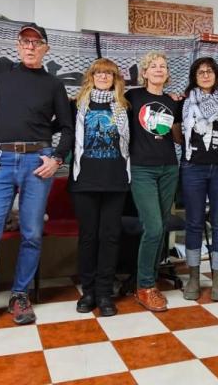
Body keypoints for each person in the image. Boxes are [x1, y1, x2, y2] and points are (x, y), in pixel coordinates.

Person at [0, 23, 73, 333]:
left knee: (33, 234)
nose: (30, 47)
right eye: (25, 41)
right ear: (17, 44)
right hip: (0, 160)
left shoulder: (53, 85)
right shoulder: (0, 72)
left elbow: (67, 127)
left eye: (37, 43)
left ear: (46, 49)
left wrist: (57, 158)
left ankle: (20, 296)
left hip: (38, 161)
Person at [71, 58, 131, 317]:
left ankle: (105, 292)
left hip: (115, 179)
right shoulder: (77, 105)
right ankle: (89, 292)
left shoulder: (124, 106)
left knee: (109, 237)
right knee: (88, 237)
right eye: (99, 72)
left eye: (109, 73)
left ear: (115, 78)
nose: (104, 76)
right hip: (85, 180)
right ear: (91, 76)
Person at [125, 50, 183, 312]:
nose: (159, 69)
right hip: (142, 169)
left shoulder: (174, 102)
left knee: (159, 228)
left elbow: (178, 138)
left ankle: (149, 276)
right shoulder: (132, 96)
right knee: (155, 227)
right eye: (153, 66)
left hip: (169, 167)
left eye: (163, 66)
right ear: (145, 72)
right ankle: (145, 286)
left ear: (167, 73)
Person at [180, 57, 218, 302]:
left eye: (210, 71)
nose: (205, 75)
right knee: (193, 223)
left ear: (216, 75)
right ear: (194, 76)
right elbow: (176, 130)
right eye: (200, 72)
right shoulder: (185, 101)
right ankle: (193, 276)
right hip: (193, 167)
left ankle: (216, 278)